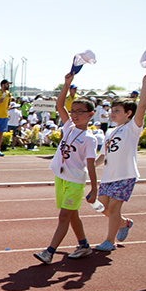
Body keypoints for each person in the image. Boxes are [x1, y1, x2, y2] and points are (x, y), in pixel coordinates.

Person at [34, 72, 98, 264]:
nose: (75, 115)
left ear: (91, 115)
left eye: (81, 112)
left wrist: (94, 188)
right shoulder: (68, 126)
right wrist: (66, 84)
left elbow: (91, 165)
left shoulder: (90, 139)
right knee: (72, 215)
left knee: (64, 216)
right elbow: (60, 105)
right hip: (61, 177)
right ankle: (84, 245)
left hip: (75, 181)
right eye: (74, 111)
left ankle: (49, 252)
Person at [93, 70, 146, 251]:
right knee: (100, 206)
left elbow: (141, 105)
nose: (112, 113)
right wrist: (89, 166)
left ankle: (110, 241)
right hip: (109, 176)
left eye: (117, 110)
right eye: (112, 110)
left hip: (125, 175)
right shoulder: (110, 132)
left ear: (128, 114)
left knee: (113, 207)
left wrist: (145, 82)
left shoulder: (132, 128)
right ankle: (124, 223)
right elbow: (103, 155)